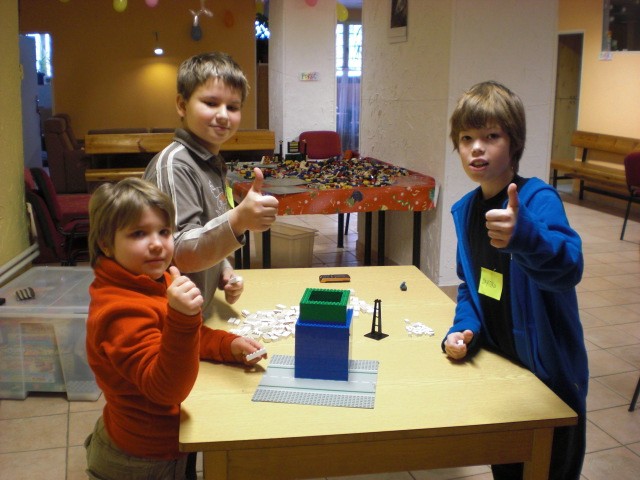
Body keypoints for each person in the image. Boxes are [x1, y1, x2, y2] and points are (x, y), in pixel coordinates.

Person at [442, 81, 588, 480]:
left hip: (550, 376)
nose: (477, 148)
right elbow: (471, 287)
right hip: (504, 372)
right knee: (507, 467)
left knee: (551, 469)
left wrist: (526, 236)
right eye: (466, 138)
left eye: (492, 136)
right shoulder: (465, 211)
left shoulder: (538, 200)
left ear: (514, 142)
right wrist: (464, 329)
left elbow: (569, 268)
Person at [84, 178, 266, 480]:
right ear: (106, 243)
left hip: (159, 435)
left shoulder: (152, 277)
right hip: (143, 458)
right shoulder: (120, 312)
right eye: (138, 233)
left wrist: (226, 345)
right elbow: (166, 390)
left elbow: (182, 334)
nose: (157, 243)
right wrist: (183, 317)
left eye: (164, 231)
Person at [144, 51, 278, 319]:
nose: (223, 115)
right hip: (170, 321)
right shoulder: (175, 166)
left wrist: (223, 269)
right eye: (211, 103)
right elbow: (180, 252)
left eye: (233, 107)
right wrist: (239, 219)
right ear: (182, 105)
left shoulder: (210, 162)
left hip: (198, 314)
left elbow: (205, 228)